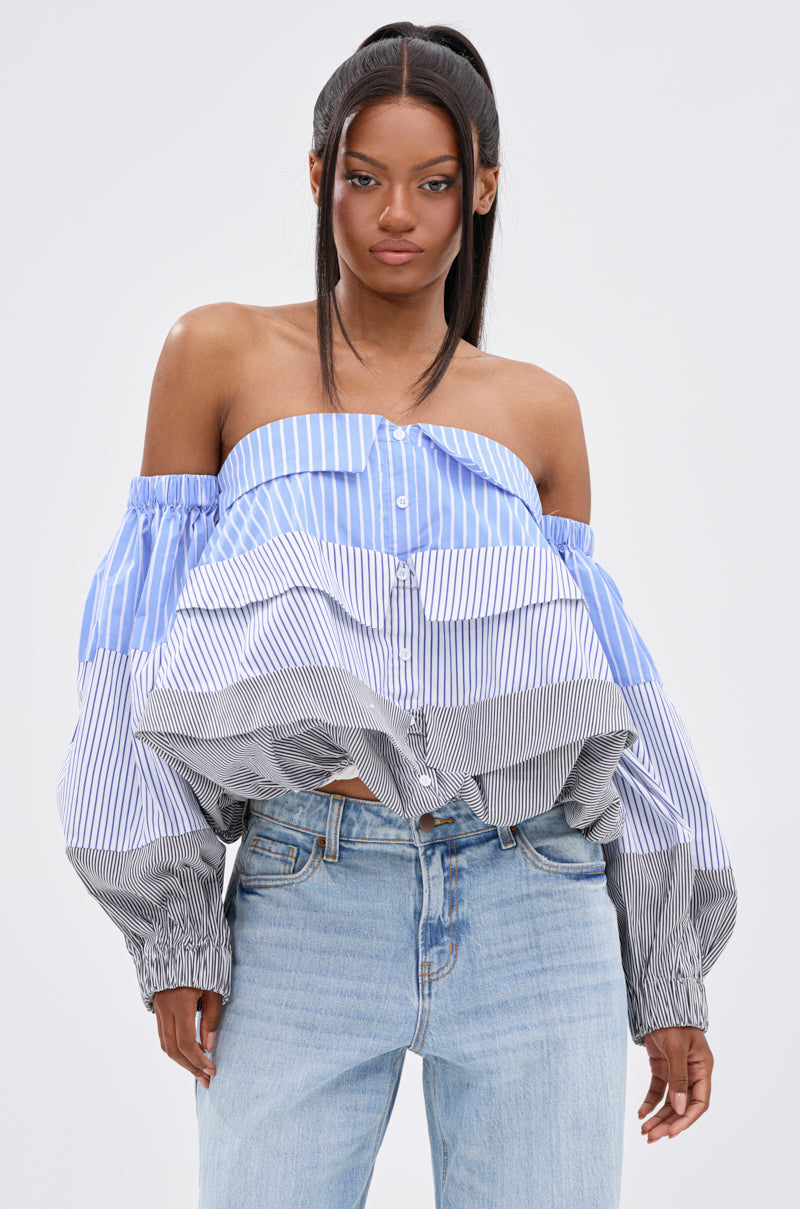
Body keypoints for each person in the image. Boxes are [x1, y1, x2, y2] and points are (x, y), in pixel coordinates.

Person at [56, 21, 738, 1209]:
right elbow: (131, 653)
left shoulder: (537, 412)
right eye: (365, 178)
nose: (395, 215)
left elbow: (607, 690)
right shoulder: (219, 354)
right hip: (305, 890)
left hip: (537, 893)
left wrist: (666, 971)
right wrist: (174, 932)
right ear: (318, 175)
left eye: (432, 184)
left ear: (481, 191)